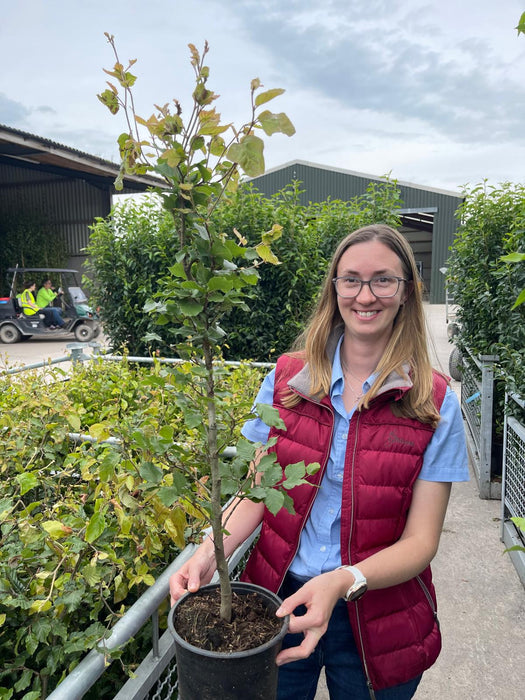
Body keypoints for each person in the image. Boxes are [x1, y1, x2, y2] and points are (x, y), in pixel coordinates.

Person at [169, 224, 469, 700]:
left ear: (407, 292)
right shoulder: (287, 379)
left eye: (383, 280)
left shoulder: (433, 403)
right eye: (350, 279)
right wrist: (207, 549)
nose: (364, 295)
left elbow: (422, 541)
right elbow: (256, 493)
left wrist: (343, 581)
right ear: (334, 288)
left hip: (379, 618)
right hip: (276, 602)